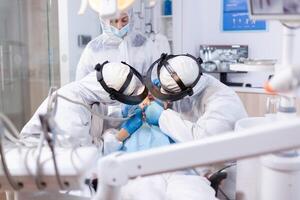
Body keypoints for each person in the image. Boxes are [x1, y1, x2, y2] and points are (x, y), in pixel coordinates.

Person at [20, 62, 147, 147]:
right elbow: (87, 155)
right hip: (41, 168)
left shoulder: (92, 96)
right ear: (111, 95)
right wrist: (120, 136)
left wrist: (121, 114)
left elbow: (98, 123)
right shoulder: (71, 107)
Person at [76, 10, 155, 81]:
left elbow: (155, 75)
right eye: (114, 21)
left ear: (130, 18)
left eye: (124, 20)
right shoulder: (93, 49)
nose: (119, 26)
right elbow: (82, 84)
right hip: (104, 97)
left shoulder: (144, 44)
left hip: (140, 96)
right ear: (105, 22)